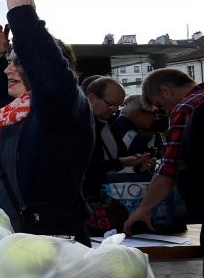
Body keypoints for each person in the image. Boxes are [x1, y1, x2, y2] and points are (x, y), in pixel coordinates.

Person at [0, 0, 93, 242]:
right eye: (9, 63)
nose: (8, 70)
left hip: (46, 238)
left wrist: (24, 17)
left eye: (18, 63)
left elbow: (52, 82)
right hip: (10, 235)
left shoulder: (62, 105)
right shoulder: (15, 112)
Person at [123, 68, 204, 235]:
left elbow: (168, 170)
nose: (166, 113)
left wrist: (143, 209)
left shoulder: (185, 107)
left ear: (166, 91)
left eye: (161, 106)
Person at [82, 76, 152, 199]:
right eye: (111, 104)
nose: (115, 110)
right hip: (89, 197)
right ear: (92, 98)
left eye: (119, 105)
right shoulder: (78, 127)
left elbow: (118, 159)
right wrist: (123, 162)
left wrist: (136, 165)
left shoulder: (111, 124)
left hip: (107, 194)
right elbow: (85, 167)